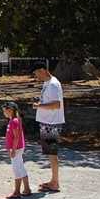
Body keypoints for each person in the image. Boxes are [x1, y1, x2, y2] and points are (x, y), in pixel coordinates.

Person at [30, 62, 65, 192]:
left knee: (52, 153)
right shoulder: (47, 83)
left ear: (43, 70)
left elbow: (56, 105)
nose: (36, 76)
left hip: (51, 123)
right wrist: (40, 103)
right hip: (47, 122)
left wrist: (39, 106)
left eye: (36, 73)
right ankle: (53, 180)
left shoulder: (53, 85)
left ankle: (55, 182)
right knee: (50, 152)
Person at [2, 101, 31, 199]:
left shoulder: (14, 121)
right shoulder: (13, 120)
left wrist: (13, 150)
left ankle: (17, 191)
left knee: (16, 169)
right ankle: (27, 189)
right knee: (21, 167)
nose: (4, 113)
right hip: (17, 148)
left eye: (5, 111)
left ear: (10, 110)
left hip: (17, 148)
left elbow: (16, 137)